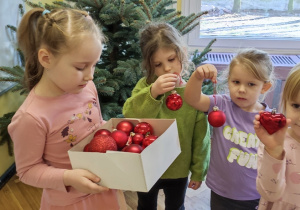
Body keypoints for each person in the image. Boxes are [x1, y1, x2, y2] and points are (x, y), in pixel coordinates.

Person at [8, 8, 126, 210]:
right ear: (46, 59)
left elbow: (95, 126)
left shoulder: (88, 87)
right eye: (81, 67)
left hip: (105, 188)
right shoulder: (31, 117)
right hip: (71, 202)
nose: (90, 75)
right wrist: (69, 177)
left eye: (94, 65)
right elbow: (28, 171)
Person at [122, 22, 211, 210]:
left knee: (176, 206)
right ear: (150, 65)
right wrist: (152, 93)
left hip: (178, 168)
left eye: (172, 59)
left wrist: (198, 171)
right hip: (147, 166)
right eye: (158, 64)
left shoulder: (192, 94)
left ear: (183, 54)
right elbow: (129, 112)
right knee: (145, 206)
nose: (168, 69)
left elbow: (201, 136)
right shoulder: (145, 87)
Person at [184, 48, 276, 210]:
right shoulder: (221, 104)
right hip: (221, 191)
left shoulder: (270, 120)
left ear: (265, 87)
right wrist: (197, 77)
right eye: (236, 82)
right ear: (228, 81)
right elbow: (193, 99)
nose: (241, 89)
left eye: (251, 84)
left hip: (254, 194)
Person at [253, 63, 300, 209]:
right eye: (296, 106)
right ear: (285, 102)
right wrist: (274, 152)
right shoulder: (275, 141)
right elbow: (269, 193)